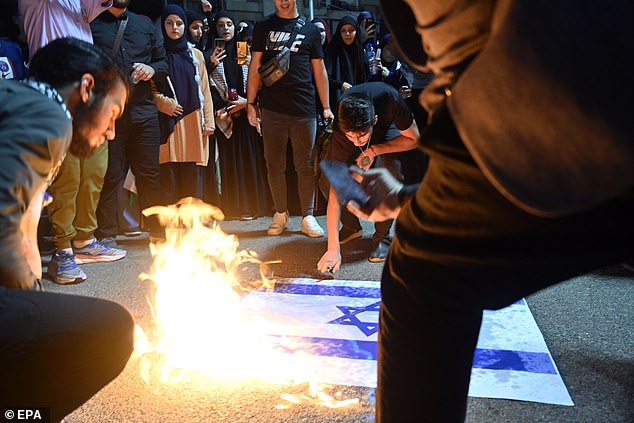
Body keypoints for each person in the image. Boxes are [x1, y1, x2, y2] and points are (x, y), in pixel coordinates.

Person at [343, 1, 634, 422]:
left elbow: (418, 45)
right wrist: (409, 197)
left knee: (422, 271)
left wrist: (415, 199)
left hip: (556, 77)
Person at [0, 37, 134, 422]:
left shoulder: (19, 103)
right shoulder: (49, 114)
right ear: (87, 88)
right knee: (111, 328)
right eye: (114, 113)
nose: (111, 132)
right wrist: (29, 299)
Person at [18, 0, 129, 285]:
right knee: (65, 175)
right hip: (58, 90)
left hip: (89, 94)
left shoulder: (80, 4)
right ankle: (62, 250)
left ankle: (84, 240)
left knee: (94, 169)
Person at [246, 0, 334, 237]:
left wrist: (326, 106)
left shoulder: (311, 29)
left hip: (304, 108)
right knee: (274, 164)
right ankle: (280, 213)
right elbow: (255, 65)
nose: (283, 1)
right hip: (272, 108)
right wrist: (250, 103)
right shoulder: (263, 26)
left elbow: (319, 69)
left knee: (305, 164)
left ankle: (307, 216)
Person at [316, 82, 419, 270]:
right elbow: (335, 191)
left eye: (361, 136)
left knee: (389, 170)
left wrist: (374, 150)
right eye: (351, 137)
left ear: (374, 121)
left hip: (388, 128)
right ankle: (351, 227)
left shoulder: (391, 100)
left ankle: (382, 238)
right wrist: (333, 248)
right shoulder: (342, 127)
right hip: (356, 126)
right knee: (328, 178)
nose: (356, 142)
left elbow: (414, 139)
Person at [91, 0, 169, 244]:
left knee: (150, 175)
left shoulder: (144, 26)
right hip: (109, 114)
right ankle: (106, 235)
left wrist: (151, 69)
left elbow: (163, 63)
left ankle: (157, 232)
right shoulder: (93, 24)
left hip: (144, 111)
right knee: (110, 175)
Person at [208, 11, 271, 220]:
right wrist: (211, 64)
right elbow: (207, 86)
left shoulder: (242, 50)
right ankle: (235, 207)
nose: (225, 28)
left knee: (250, 161)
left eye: (229, 24)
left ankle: (254, 206)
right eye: (220, 25)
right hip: (224, 116)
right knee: (230, 163)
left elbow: (253, 79)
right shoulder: (214, 53)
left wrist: (246, 102)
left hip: (245, 113)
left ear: (235, 29)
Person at [152, 5, 215, 204]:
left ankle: (191, 226)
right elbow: (150, 89)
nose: (174, 28)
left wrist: (209, 121)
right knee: (168, 174)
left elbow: (204, 89)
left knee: (191, 174)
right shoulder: (157, 54)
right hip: (167, 120)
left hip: (193, 120)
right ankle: (170, 229)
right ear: (162, 25)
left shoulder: (195, 55)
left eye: (179, 23)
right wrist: (164, 104)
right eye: (169, 23)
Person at [324, 16, 369, 111]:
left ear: (356, 32)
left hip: (357, 103)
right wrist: (340, 84)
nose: (347, 34)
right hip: (335, 102)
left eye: (351, 30)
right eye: (343, 31)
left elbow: (365, 79)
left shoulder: (360, 52)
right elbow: (324, 76)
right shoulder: (332, 51)